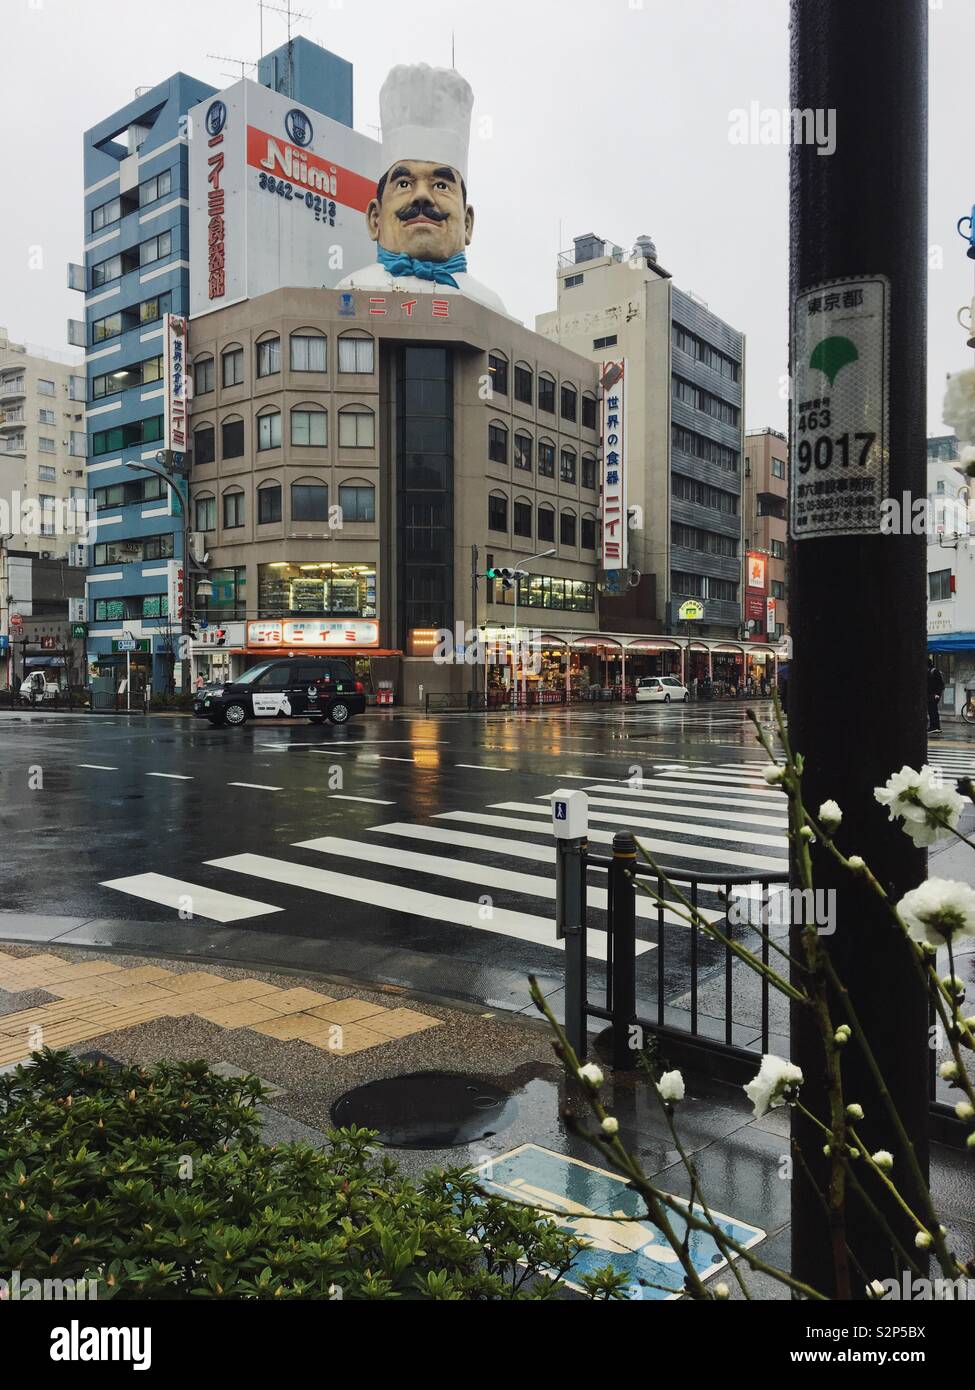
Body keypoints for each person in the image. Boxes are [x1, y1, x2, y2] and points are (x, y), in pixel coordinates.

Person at [336, 63, 509, 315]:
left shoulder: (489, 308)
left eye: (441, 185)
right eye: (404, 184)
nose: (422, 196)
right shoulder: (350, 293)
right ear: (375, 218)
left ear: (468, 223)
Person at [928, 656, 945, 736]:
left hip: (934, 695)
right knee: (931, 711)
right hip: (930, 694)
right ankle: (933, 727)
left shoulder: (934, 671)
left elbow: (941, 684)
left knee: (933, 711)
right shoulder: (928, 671)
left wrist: (937, 694)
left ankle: (935, 727)